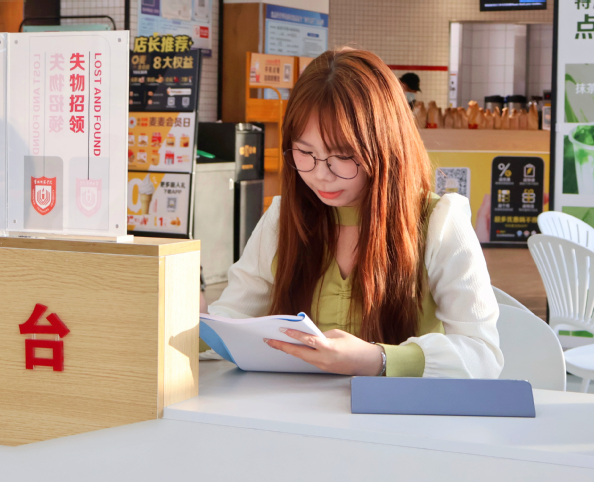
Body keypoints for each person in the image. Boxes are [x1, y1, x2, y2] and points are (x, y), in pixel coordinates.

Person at [203, 48, 503, 378]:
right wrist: (191, 323)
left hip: (396, 410)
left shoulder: (438, 222)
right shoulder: (283, 217)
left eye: (343, 156)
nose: (321, 174)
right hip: (291, 406)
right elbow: (231, 318)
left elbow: (482, 354)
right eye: (305, 152)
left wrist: (378, 359)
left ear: (386, 147)